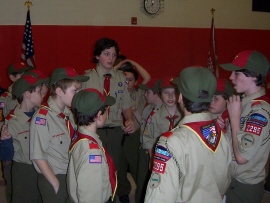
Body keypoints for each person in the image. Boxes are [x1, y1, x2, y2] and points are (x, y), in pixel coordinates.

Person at [144, 67, 232, 203]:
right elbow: (224, 181)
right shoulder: (221, 133)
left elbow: (159, 196)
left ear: (180, 97)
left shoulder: (170, 142)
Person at [83, 37, 135, 202]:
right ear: (97, 56)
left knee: (116, 166)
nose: (111, 58)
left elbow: (126, 105)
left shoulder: (121, 78)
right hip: (93, 131)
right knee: (95, 167)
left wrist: (129, 119)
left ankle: (120, 193)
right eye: (107, 54)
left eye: (114, 55)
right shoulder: (86, 78)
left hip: (114, 130)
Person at [30, 67, 89, 203]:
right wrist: (55, 183)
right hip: (55, 176)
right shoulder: (42, 118)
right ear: (59, 92)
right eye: (75, 91)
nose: (78, 95)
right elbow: (38, 156)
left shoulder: (69, 114)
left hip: (72, 174)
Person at [220, 50, 270, 203]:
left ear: (253, 75)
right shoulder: (244, 102)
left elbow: (242, 157)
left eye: (236, 73)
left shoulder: (259, 111)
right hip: (232, 179)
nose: (230, 77)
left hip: (244, 187)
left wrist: (235, 119)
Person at [0, 70, 49, 203]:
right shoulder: (12, 122)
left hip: (44, 167)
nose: (42, 94)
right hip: (24, 171)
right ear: (27, 94)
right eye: (39, 91)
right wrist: (5, 142)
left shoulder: (42, 116)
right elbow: (6, 157)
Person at [67, 88, 116, 203]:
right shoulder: (92, 152)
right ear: (99, 115)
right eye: (106, 110)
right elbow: (90, 197)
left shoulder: (80, 137)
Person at [114, 60, 151, 202]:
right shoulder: (115, 93)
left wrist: (133, 62)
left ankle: (143, 194)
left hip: (135, 135)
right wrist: (117, 68)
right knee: (119, 167)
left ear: (135, 82)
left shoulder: (139, 92)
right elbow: (108, 75)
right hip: (118, 134)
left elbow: (147, 78)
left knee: (137, 167)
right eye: (123, 80)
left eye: (130, 80)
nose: (126, 83)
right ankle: (123, 193)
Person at [0, 62, 33, 203]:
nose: (26, 77)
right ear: (12, 77)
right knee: (13, 188)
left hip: (26, 148)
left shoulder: (31, 95)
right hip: (11, 146)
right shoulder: (5, 98)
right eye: (22, 74)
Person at [135, 78, 163, 203]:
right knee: (142, 180)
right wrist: (135, 112)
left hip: (158, 152)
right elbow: (144, 124)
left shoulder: (164, 111)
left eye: (148, 92)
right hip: (145, 148)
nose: (145, 95)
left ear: (156, 93)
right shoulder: (148, 108)